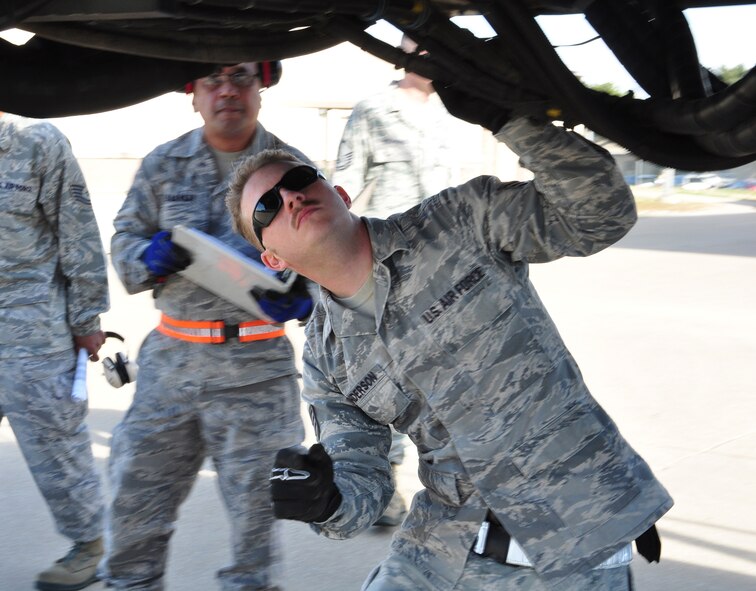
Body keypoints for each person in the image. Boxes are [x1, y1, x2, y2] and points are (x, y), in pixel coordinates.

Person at [225, 83, 674, 590]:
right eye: (266, 208)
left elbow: (600, 214)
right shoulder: (327, 355)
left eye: (301, 179)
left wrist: (513, 118)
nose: (288, 196)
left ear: (341, 192)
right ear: (272, 259)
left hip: (578, 543)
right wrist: (326, 501)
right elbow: (361, 476)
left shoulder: (457, 223)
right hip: (444, 550)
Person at [100, 62, 311, 591]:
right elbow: (124, 240)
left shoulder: (293, 172)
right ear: (193, 93)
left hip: (257, 376)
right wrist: (147, 257)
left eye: (240, 78)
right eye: (212, 80)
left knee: (256, 530)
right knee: (133, 506)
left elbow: (334, 260)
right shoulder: (164, 163)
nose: (227, 92)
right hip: (171, 367)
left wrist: (308, 293)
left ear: (261, 88)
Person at [331, 34, 461, 526]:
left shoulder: (456, 111)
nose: (430, 52)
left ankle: (451, 486)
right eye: (420, 43)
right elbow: (341, 186)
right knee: (388, 376)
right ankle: (384, 482)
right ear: (404, 51)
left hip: (445, 264)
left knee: (443, 377)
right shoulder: (373, 111)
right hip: (387, 269)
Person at [0, 112, 109, 591]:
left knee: (57, 452)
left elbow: (79, 232)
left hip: (34, 335)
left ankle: (89, 545)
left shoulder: (35, 142)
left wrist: (87, 321)